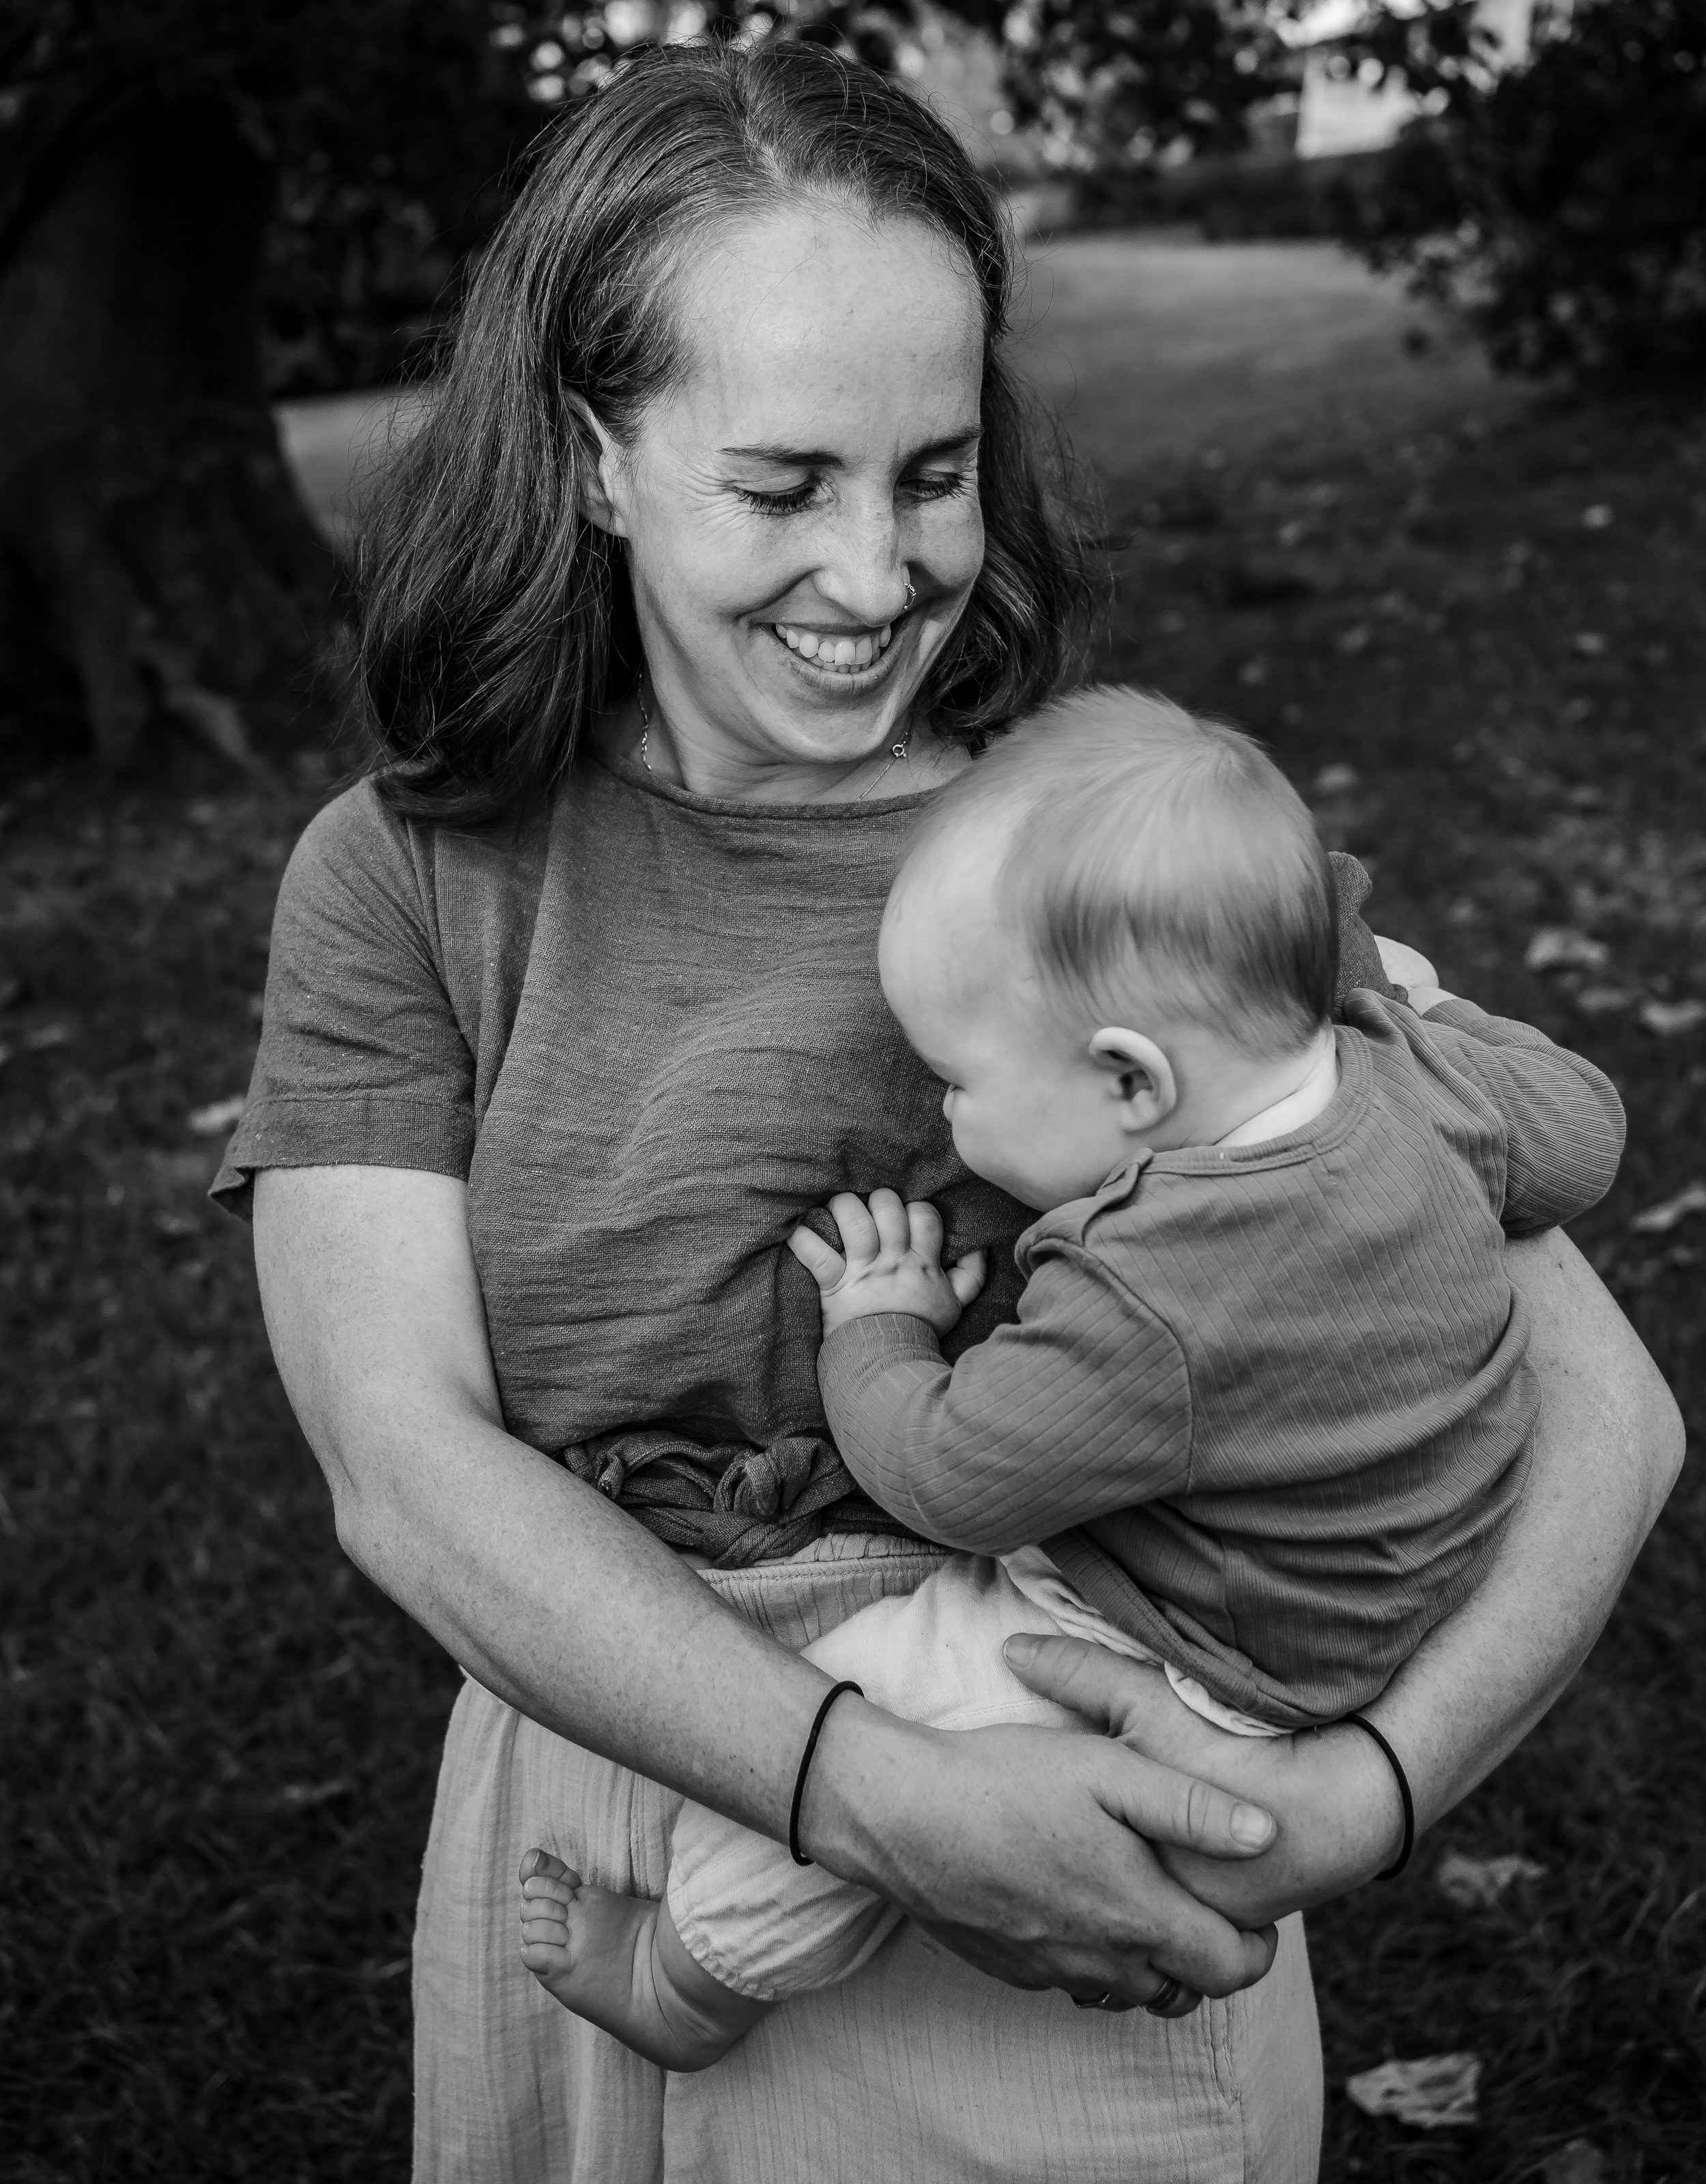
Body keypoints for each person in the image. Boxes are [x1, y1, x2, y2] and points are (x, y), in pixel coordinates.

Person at [222, 39, 1682, 2184]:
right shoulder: (407, 874)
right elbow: (403, 1461)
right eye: (781, 484)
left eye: (931, 471)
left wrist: (1360, 1796)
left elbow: (1604, 1407)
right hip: (593, 1777)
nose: (876, 573)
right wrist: (865, 1796)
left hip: (1062, 1796)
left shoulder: (1095, 856)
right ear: (596, 458)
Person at [512, 688, 1626, 2068]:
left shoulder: (1151, 1295)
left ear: (1129, 1082)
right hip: (1378, 1576)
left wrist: (878, 1327)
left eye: (956, 1077)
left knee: (878, 1699)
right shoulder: (1412, 1078)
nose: (942, 1111)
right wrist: (1412, 1010)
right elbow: (1584, 1131)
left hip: (1194, 1649)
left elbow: (949, 1478)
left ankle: (690, 1973)